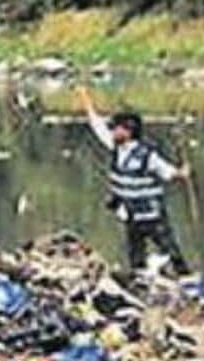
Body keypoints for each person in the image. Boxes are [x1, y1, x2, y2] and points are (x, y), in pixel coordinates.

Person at [79, 88, 191, 277]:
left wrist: (183, 173)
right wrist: (86, 101)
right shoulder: (116, 147)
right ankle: (141, 284)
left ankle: (187, 282)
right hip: (131, 215)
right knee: (136, 256)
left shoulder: (147, 155)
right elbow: (97, 127)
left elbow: (169, 173)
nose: (113, 131)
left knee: (172, 252)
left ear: (129, 131)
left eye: (117, 128)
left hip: (152, 216)